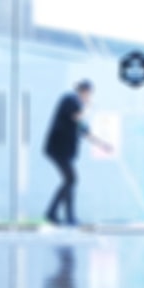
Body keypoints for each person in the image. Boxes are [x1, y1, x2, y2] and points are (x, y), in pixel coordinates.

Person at [43, 80, 112, 226]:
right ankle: (58, 214)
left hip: (66, 150)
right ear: (83, 91)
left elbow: (85, 132)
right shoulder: (69, 99)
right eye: (88, 94)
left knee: (70, 180)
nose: (89, 98)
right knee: (71, 179)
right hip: (57, 148)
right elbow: (76, 116)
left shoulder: (78, 106)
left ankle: (59, 214)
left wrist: (103, 144)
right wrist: (87, 108)